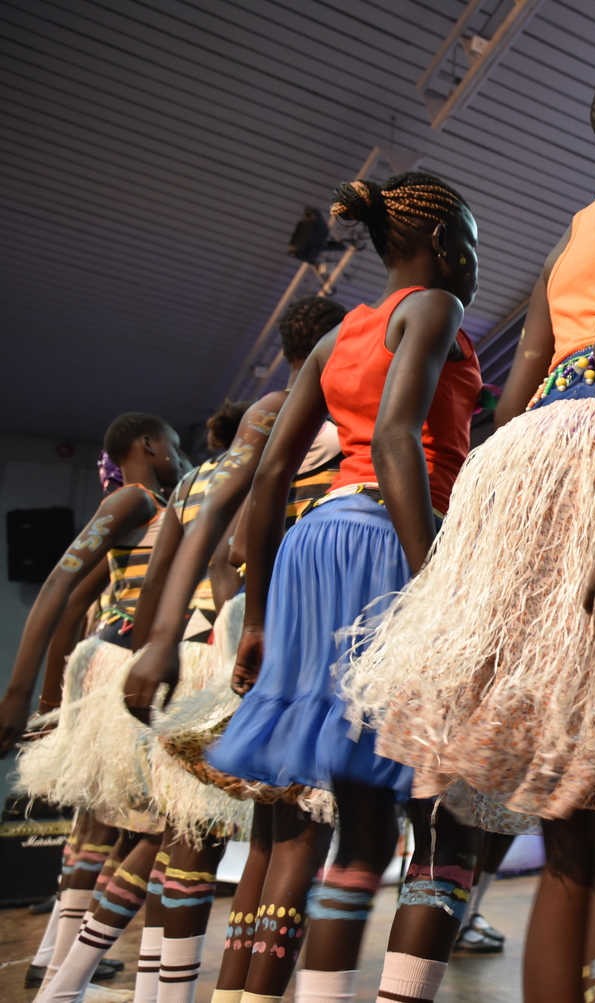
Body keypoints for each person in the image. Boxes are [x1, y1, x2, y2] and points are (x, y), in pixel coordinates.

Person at [340, 49, 595, 1003]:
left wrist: (484, 547)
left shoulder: (567, 240)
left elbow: (509, 413)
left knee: (570, 830)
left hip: (535, 472)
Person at [206, 171, 485, 1003]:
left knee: (359, 825)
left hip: (311, 546)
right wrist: (437, 578)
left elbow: (268, 481)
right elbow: (398, 438)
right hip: (385, 536)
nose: (474, 264)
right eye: (470, 246)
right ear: (441, 248)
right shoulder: (434, 307)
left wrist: (257, 618)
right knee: (444, 810)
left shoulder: (338, 337)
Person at [116, 296, 348, 1003]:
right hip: (299, 631)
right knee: (282, 835)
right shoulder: (321, 413)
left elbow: (229, 540)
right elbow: (240, 538)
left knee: (256, 837)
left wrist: (168, 638)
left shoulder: (269, 414)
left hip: (253, 632)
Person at [6, 414, 189, 1003]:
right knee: (147, 826)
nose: (179, 459)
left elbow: (83, 600)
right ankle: (65, 976)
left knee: (106, 825)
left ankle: (58, 964)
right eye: (175, 447)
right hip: (120, 672)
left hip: (110, 665)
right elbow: (62, 584)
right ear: (149, 445)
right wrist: (26, 692)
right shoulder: (133, 499)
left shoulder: (141, 506)